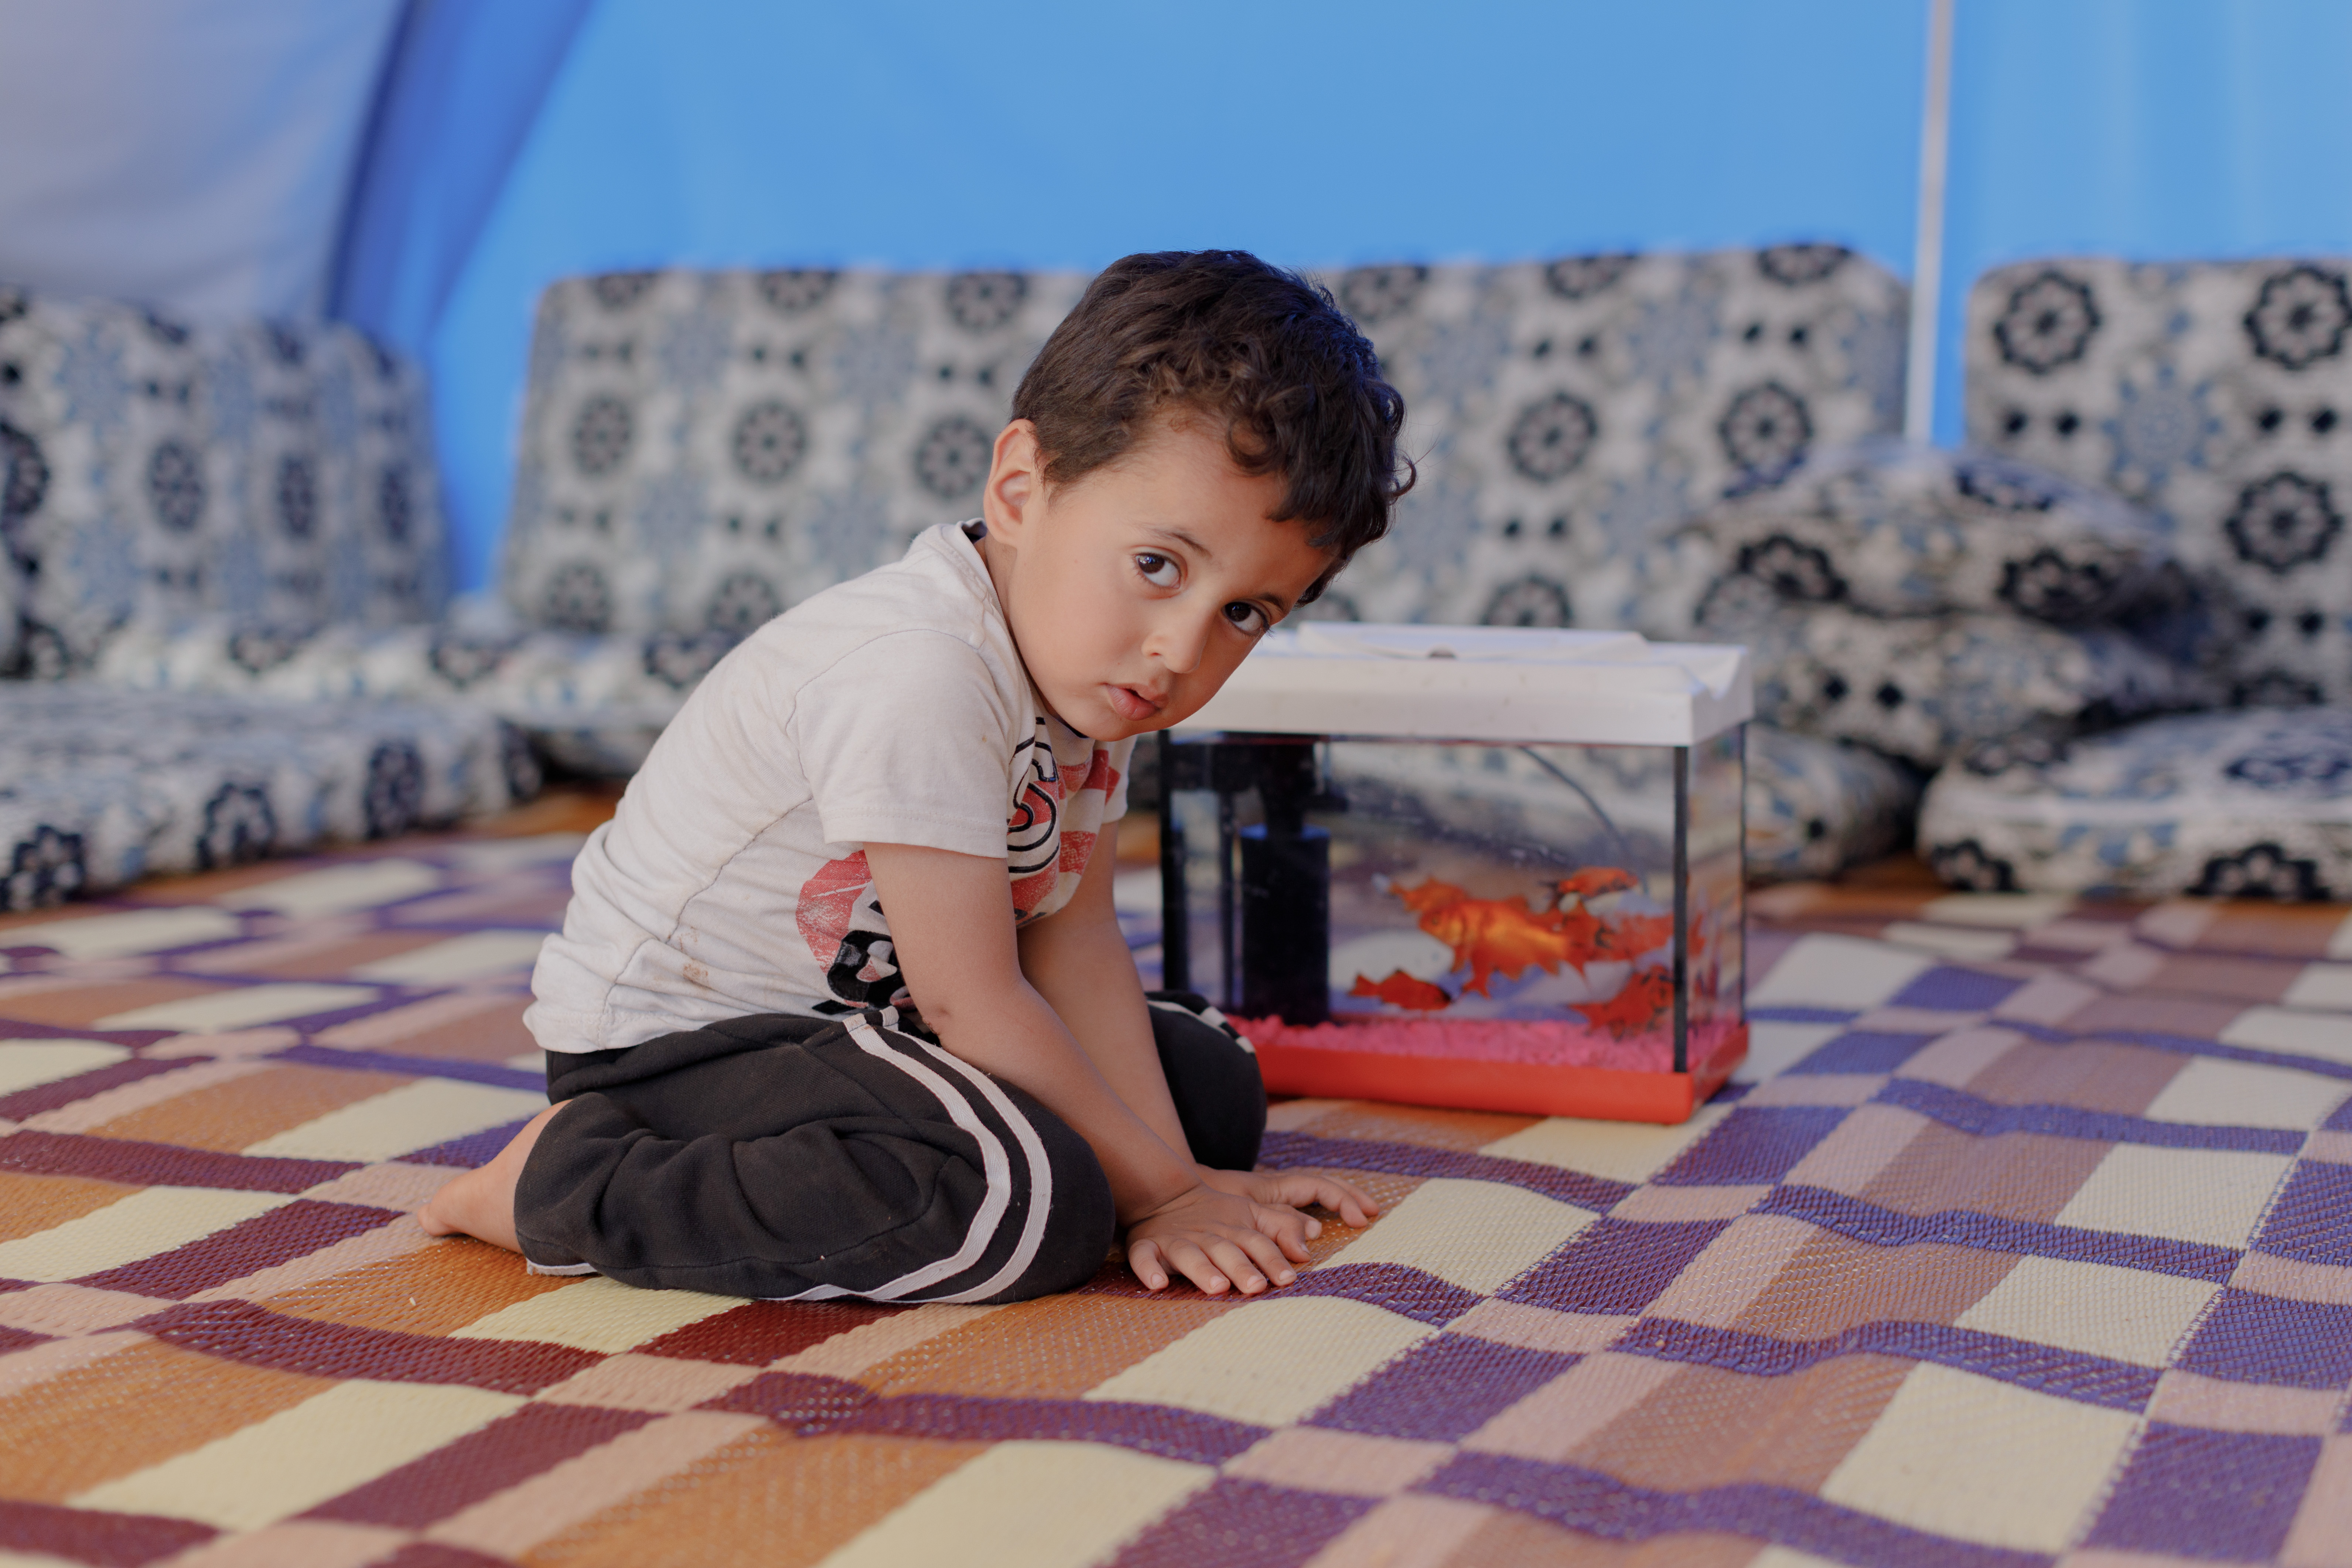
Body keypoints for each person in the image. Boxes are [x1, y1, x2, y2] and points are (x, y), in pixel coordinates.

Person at [421, 250, 1411, 1304]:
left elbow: (1069, 936)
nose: (1182, 649)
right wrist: (1162, 1197)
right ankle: (571, 1183)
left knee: (1210, 1079)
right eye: (1159, 566)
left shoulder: (1095, 667)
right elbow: (973, 998)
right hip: (686, 1052)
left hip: (871, 1028)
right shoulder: (923, 668)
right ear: (1022, 488)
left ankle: (1099, 1163)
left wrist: (1176, 1175)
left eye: (1246, 612)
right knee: (1023, 1204)